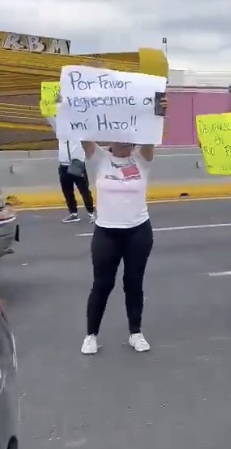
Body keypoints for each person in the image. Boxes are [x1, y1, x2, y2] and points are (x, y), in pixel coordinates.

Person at [79, 97, 166, 355]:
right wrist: (70, 107)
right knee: (102, 284)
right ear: (111, 139)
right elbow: (82, 131)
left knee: (133, 282)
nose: (126, 143)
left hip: (138, 230)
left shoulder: (143, 159)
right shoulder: (99, 159)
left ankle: (135, 332)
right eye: (121, 138)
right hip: (106, 232)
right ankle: (91, 335)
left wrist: (158, 110)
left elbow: (152, 131)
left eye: (130, 138)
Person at [49, 121, 95, 223]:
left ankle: (91, 213)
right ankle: (73, 213)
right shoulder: (60, 131)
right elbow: (51, 119)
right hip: (63, 165)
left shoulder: (79, 130)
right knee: (67, 191)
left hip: (77, 164)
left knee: (84, 190)